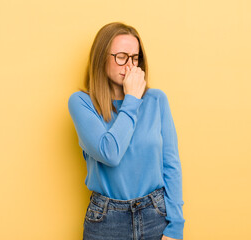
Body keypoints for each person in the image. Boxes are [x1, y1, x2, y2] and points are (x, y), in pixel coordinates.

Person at [68, 22, 185, 240]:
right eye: (121, 57)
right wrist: (131, 99)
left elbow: (171, 164)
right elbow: (109, 153)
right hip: (106, 220)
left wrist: (176, 226)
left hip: (155, 215)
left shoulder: (156, 99)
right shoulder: (81, 103)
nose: (129, 66)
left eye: (135, 58)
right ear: (102, 57)